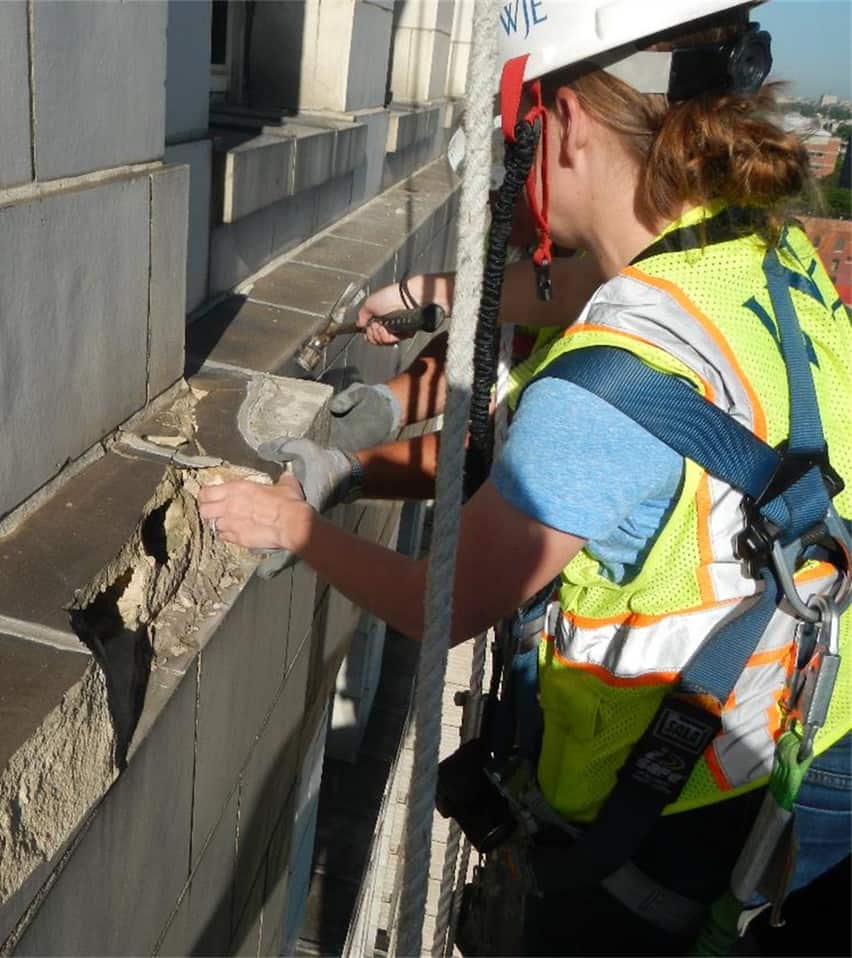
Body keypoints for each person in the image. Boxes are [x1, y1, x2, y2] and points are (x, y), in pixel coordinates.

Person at [199, 1, 851, 953]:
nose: (511, 171)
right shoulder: (752, 248)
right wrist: (426, 294)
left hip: (687, 824)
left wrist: (291, 523)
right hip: (817, 733)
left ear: (571, 121)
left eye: (516, 137)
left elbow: (450, 601)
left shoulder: (603, 388)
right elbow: (582, 285)